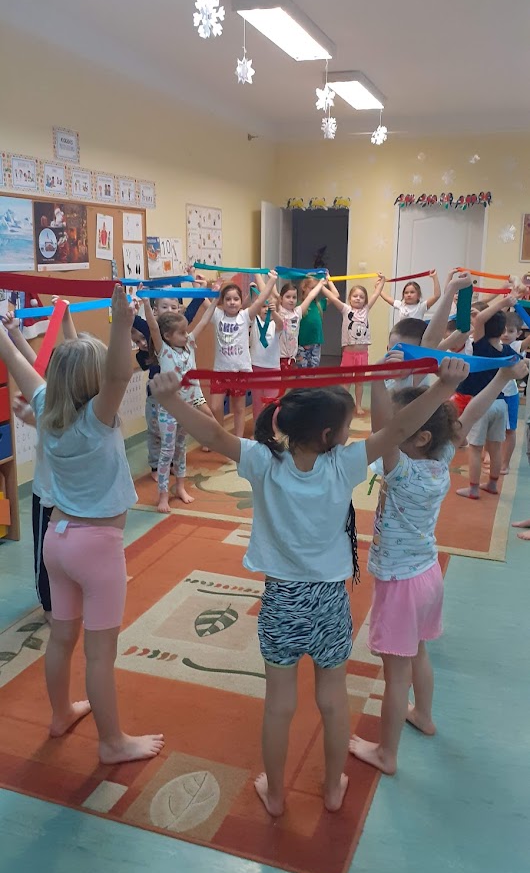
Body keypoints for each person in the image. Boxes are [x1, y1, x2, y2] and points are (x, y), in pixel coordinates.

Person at [150, 356, 470, 817]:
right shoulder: (344, 464)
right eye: (347, 427)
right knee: (333, 702)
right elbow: (399, 430)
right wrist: (441, 388)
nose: (351, 433)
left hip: (282, 600)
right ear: (327, 436)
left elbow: (213, 435)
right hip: (330, 601)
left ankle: (276, 795)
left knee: (279, 705)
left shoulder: (263, 459)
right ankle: (333, 789)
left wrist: (170, 399)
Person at [0, 286, 164, 764]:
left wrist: (5, 335)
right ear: (95, 383)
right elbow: (117, 373)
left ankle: (59, 714)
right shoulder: (97, 418)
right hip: (96, 549)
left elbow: (16, 361)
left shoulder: (46, 404)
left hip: (57, 541)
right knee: (99, 654)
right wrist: (121, 320)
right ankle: (112, 742)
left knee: (62, 637)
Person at [349, 356, 528, 776]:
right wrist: (501, 376)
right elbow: (472, 413)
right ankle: (424, 716)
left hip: (400, 584)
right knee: (418, 653)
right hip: (428, 575)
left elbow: (384, 431)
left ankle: (386, 754)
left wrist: (379, 381)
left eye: (403, 426)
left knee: (396, 674)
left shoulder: (402, 470)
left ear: (420, 436)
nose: (394, 431)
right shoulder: (440, 457)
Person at [1, 299, 79, 623]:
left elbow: (23, 364)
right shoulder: (84, 400)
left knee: (50, 554)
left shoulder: (50, 400)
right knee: (56, 554)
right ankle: (51, 605)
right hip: (66, 497)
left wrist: (8, 336)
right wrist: (16, 332)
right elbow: (41, 363)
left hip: (52, 497)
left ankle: (52, 605)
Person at [140, 291, 215, 512]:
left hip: (188, 407)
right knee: (167, 451)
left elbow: (204, 321)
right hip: (168, 409)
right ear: (167, 336)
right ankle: (163, 495)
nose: (186, 335)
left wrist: (215, 301)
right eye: (181, 333)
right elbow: (153, 327)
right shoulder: (163, 351)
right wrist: (145, 303)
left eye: (185, 331)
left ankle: (180, 487)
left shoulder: (189, 344)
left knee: (181, 449)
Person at [132, 276, 206, 478]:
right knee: (156, 432)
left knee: (174, 433)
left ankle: (172, 462)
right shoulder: (152, 330)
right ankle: (156, 466)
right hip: (156, 394)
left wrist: (201, 290)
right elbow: (136, 319)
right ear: (155, 310)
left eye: (174, 307)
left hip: (176, 394)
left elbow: (192, 311)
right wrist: (133, 298)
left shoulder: (178, 328)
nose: (170, 311)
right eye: (165, 307)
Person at [453, 295, 520, 499]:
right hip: (500, 404)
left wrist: (503, 302)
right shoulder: (506, 350)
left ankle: (473, 488)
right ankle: (492, 484)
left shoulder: (481, 346)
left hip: (481, 404)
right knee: (495, 447)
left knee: (475, 449)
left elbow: (481, 319)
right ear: (502, 330)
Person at [209, 271, 278, 437]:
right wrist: (200, 284)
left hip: (240, 371)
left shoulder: (245, 316)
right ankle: (220, 436)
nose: (232, 302)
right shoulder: (217, 315)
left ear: (241, 302)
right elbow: (203, 301)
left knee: (239, 408)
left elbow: (260, 300)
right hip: (220, 371)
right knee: (215, 407)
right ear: (222, 301)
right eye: (228, 299)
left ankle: (238, 441)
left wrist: (272, 280)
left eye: (236, 299)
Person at [325, 275, 385, 414]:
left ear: (365, 300)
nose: (358, 298)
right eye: (355, 296)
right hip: (349, 354)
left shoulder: (366, 310)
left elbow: (376, 294)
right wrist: (325, 284)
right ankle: (344, 405)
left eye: (361, 297)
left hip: (362, 354)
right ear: (349, 298)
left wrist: (382, 281)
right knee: (346, 381)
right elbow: (333, 298)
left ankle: (358, 405)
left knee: (359, 382)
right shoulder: (346, 310)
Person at [499, 313, 530, 474]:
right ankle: (491, 457)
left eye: (510, 331)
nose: (505, 334)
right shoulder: (494, 343)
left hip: (509, 394)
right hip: (492, 393)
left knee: (510, 430)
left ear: (518, 333)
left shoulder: (517, 346)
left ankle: (505, 463)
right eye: (502, 330)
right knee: (492, 428)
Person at [249, 297, 283, 421]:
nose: (266, 309)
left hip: (273, 370)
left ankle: (270, 428)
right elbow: (248, 309)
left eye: (270, 307)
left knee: (271, 403)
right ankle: (257, 429)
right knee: (257, 403)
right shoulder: (255, 320)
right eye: (264, 306)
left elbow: (281, 325)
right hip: (256, 368)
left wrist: (274, 312)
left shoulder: (275, 324)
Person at [296, 275, 338, 368]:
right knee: (302, 370)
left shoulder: (319, 304)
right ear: (304, 288)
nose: (315, 291)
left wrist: (324, 284)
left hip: (315, 345)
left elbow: (335, 295)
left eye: (316, 289)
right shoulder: (299, 305)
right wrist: (318, 285)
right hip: (301, 345)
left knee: (313, 370)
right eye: (312, 288)